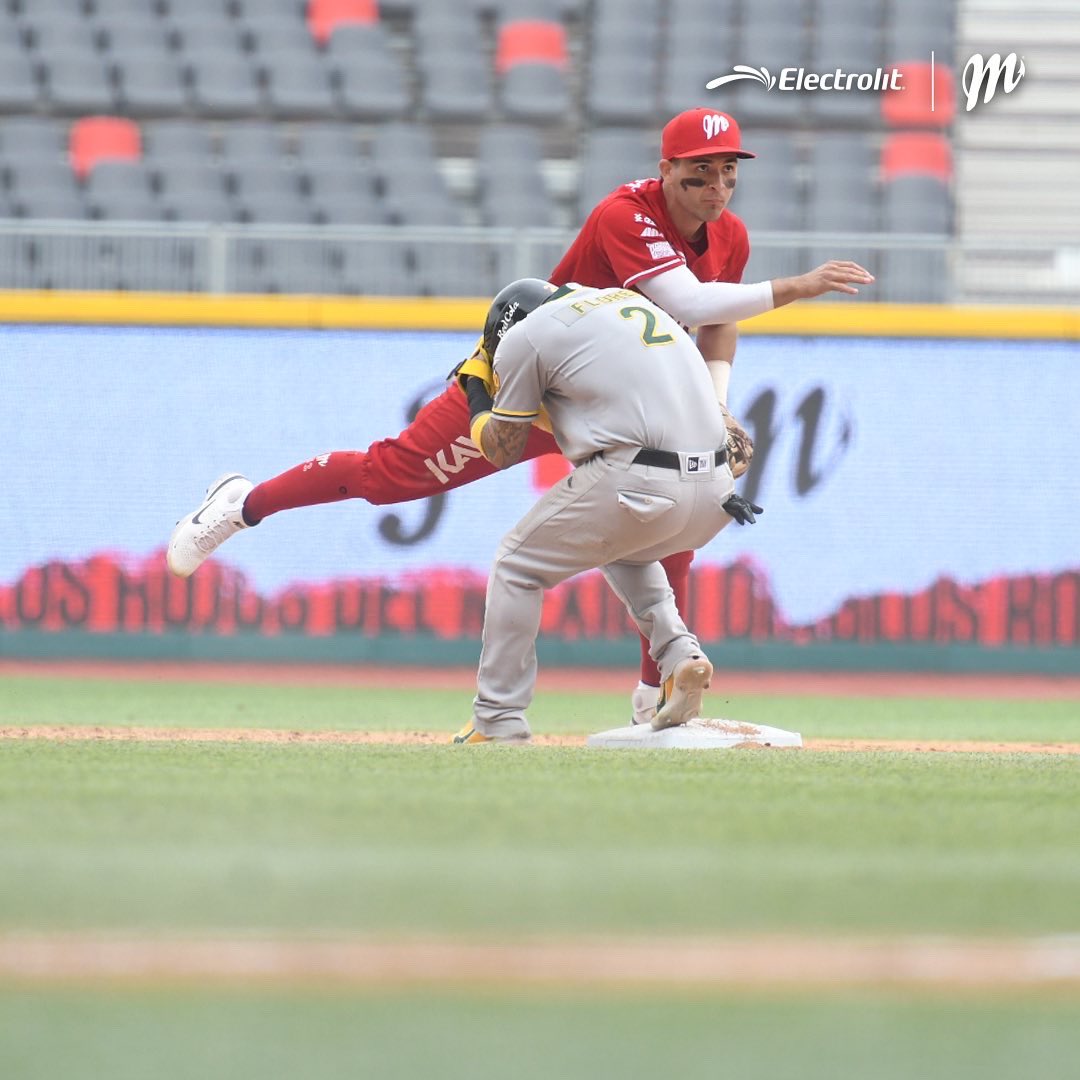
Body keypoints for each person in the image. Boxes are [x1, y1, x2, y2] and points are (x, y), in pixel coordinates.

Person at [167, 110, 873, 717]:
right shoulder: (624, 213)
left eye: (727, 171)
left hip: (624, 410)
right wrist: (799, 286)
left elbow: (718, 327)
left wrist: (715, 405)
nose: (716, 187)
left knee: (670, 523)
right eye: (698, 172)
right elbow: (688, 304)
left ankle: (651, 696)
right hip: (533, 389)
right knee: (392, 475)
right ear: (665, 169)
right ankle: (240, 503)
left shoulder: (731, 235)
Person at [451, 278, 759, 744]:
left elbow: (502, 448)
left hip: (645, 481)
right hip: (720, 487)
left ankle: (498, 718)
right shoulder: (627, 304)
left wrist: (475, 392)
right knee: (622, 547)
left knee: (516, 564)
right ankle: (679, 655)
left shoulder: (525, 337)